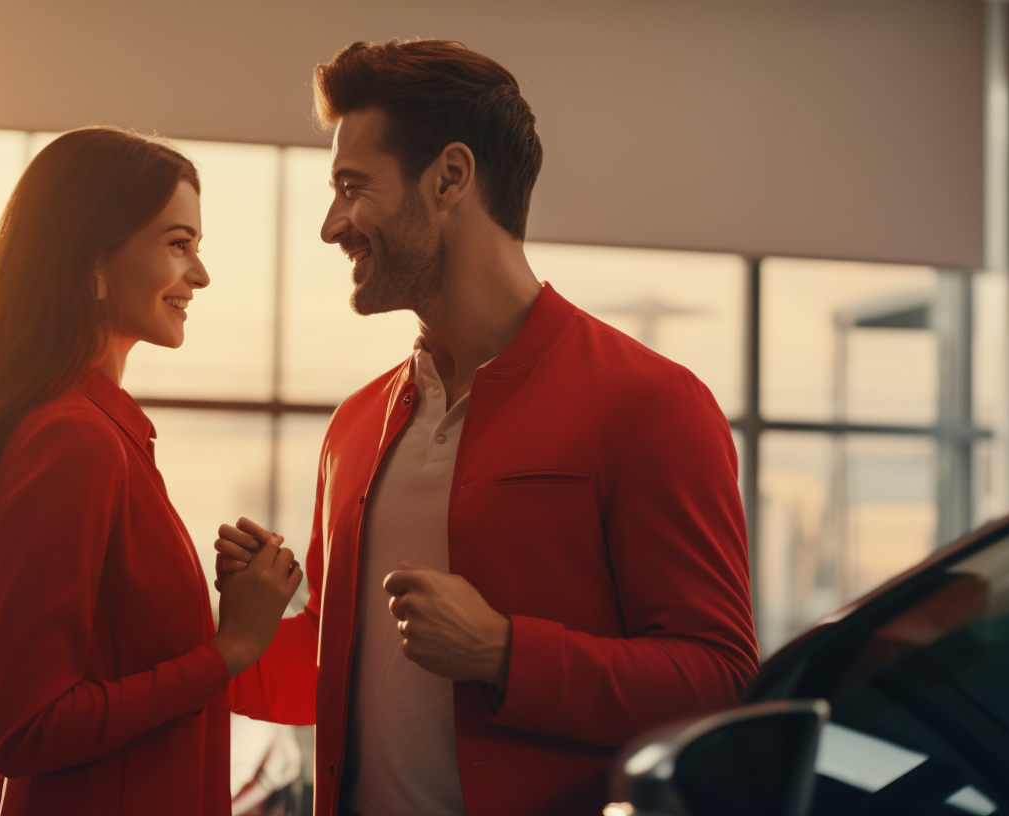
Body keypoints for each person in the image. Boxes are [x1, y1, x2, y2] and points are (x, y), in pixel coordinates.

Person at [214, 39, 760, 815]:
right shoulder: (354, 428)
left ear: (450, 178)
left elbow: (719, 679)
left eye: (351, 185)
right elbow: (340, 676)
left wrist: (504, 654)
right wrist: (249, 630)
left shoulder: (652, 404)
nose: (332, 225)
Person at [0, 126, 304, 815]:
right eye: (179, 245)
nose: (199, 276)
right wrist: (228, 649)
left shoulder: (101, 430)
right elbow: (28, 729)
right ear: (95, 262)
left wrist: (237, 618)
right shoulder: (73, 439)